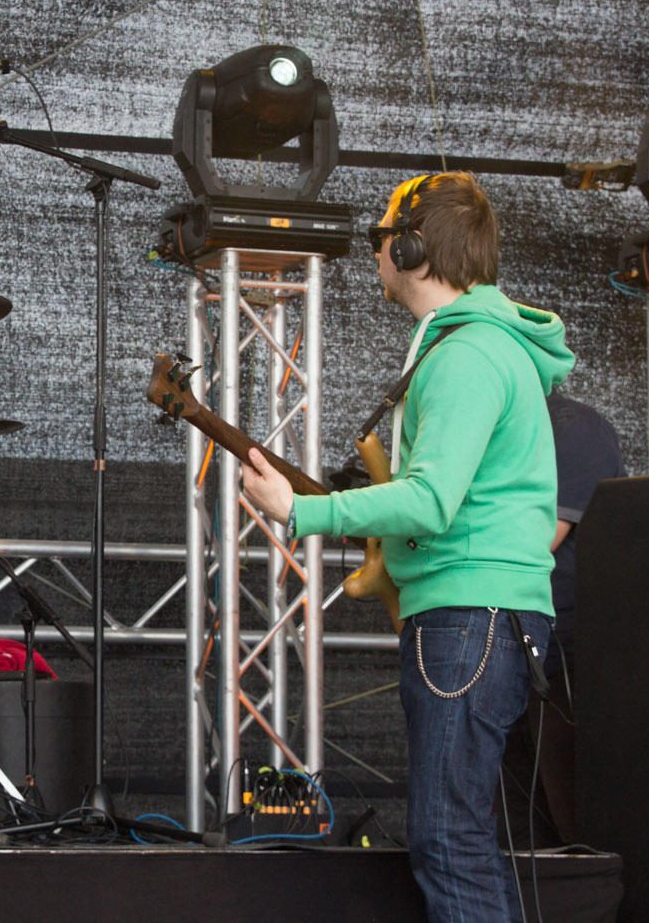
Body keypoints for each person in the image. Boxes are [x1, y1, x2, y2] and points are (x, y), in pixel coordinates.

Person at [241, 172, 574, 922]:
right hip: (480, 615)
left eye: (380, 239)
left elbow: (430, 500)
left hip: (469, 617)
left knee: (449, 843)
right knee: (462, 841)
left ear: (413, 248)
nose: (376, 254)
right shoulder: (476, 347)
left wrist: (301, 509)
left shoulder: (467, 356)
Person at [498, 391, 625, 847]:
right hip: (503, 659)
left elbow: (534, 542)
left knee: (574, 832)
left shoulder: (570, 426)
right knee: (512, 834)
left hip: (564, 665)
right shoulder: (493, 430)